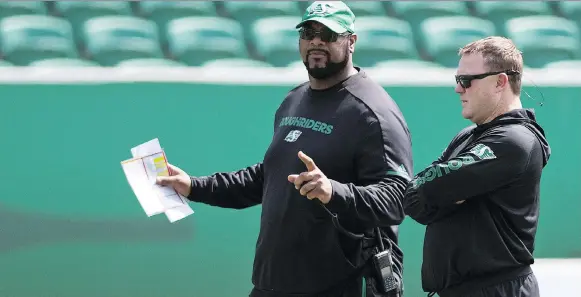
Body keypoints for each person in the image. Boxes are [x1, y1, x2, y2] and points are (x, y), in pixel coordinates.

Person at [156, 1, 413, 297]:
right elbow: (270, 176)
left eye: (328, 34)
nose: (316, 40)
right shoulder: (294, 99)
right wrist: (193, 186)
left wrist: (332, 191)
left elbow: (396, 198)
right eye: (308, 31)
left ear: (351, 41)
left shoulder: (373, 112)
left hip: (337, 285)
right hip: (273, 283)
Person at [402, 36, 551, 297]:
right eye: (457, 80)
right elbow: (417, 203)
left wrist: (441, 194)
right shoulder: (468, 136)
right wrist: (446, 193)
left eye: (466, 80)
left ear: (500, 82)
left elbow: (430, 189)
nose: (458, 89)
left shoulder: (514, 140)